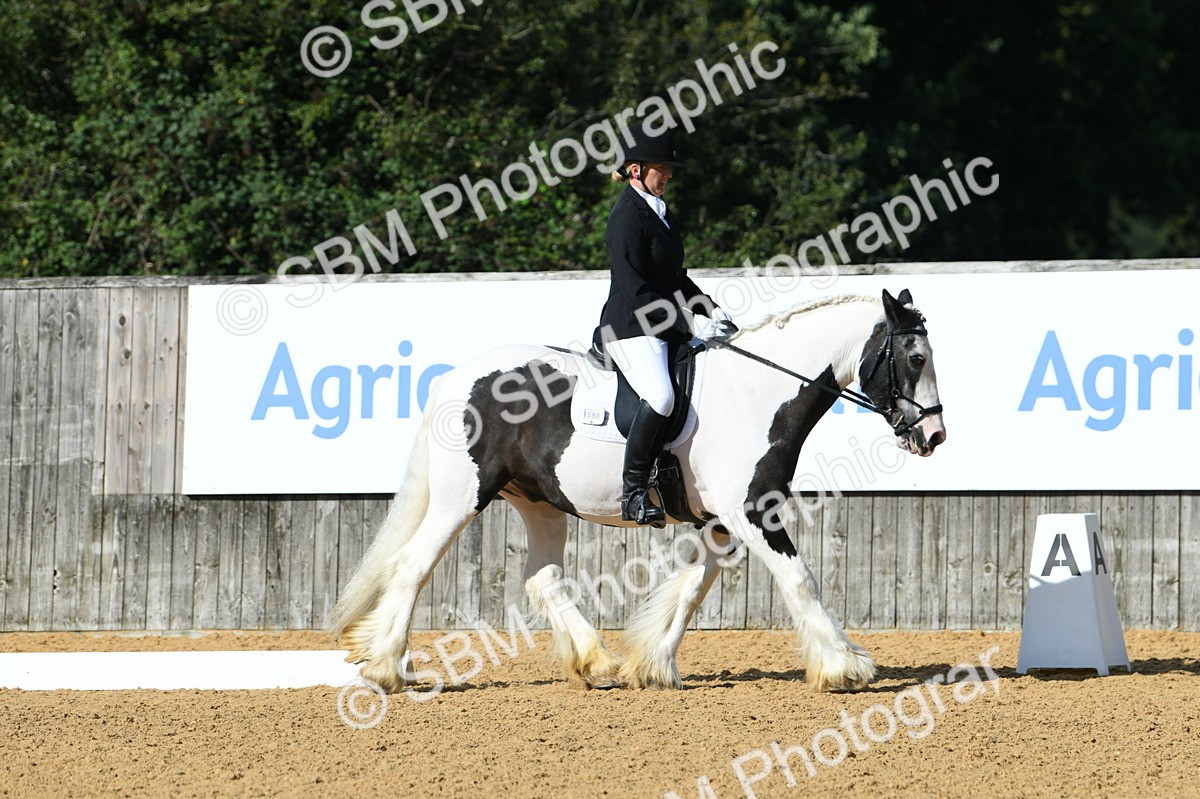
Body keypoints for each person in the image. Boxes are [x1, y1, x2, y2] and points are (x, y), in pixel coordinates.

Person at [591, 124, 737, 527]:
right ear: (635, 170)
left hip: (664, 323)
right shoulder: (625, 217)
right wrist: (689, 322)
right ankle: (634, 493)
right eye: (662, 168)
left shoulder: (661, 212)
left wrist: (710, 309)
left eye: (669, 169)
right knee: (661, 397)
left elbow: (676, 278)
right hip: (630, 326)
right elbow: (637, 290)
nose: (668, 175)